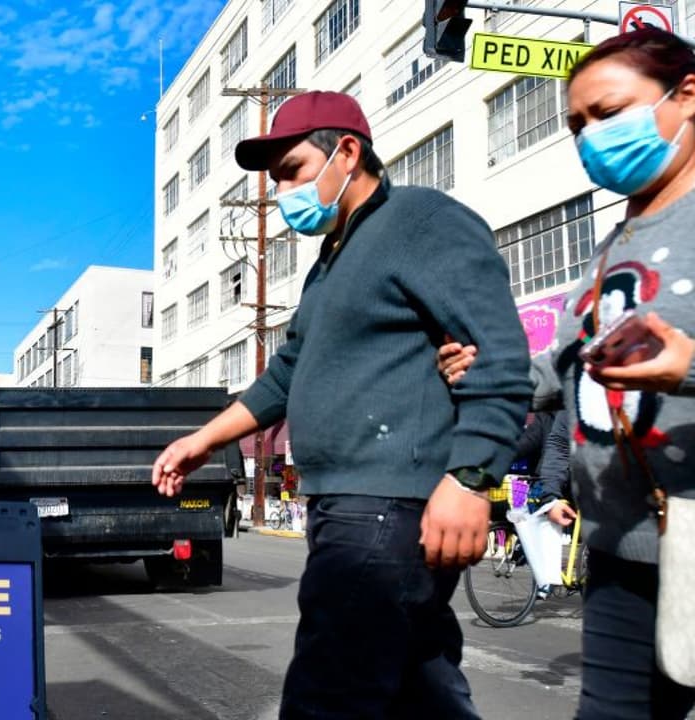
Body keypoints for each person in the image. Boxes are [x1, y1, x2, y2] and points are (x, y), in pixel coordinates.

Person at [151, 91, 532, 718]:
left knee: (328, 695)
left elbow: (496, 352)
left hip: (384, 506)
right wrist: (203, 441)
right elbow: (286, 375)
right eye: (276, 182)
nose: (283, 193)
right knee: (422, 686)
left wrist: (470, 476)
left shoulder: (422, 221)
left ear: (347, 152)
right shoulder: (329, 263)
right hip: (349, 505)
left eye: (293, 171)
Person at [438, 28, 695, 719]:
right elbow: (571, 368)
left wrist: (688, 368)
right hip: (621, 539)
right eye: (576, 125)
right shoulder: (619, 237)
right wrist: (487, 371)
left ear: (688, 96)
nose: (590, 139)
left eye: (608, 114)